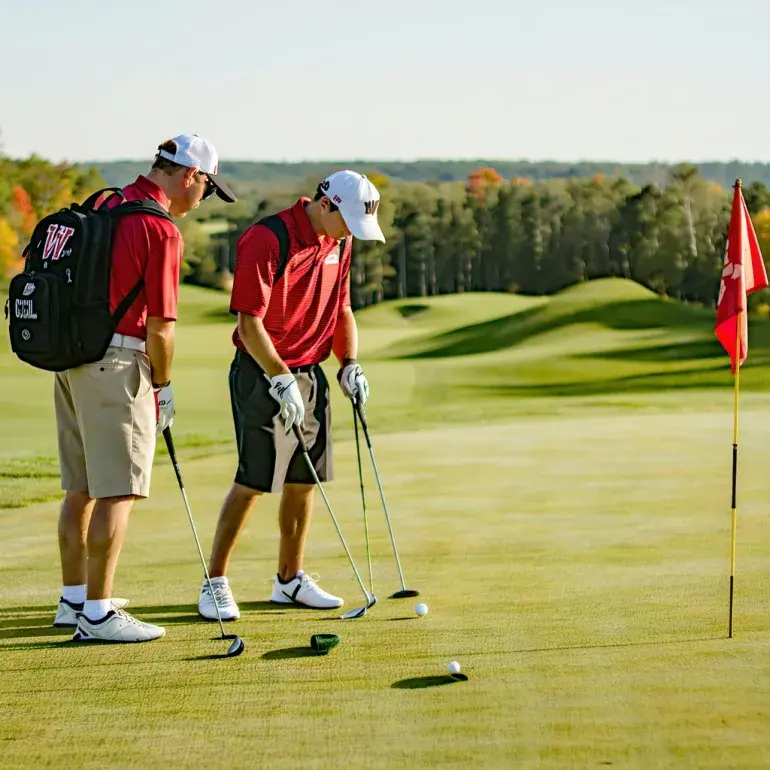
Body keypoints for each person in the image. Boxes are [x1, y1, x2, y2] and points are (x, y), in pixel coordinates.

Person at [53, 134, 237, 643]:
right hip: (118, 362)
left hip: (72, 359)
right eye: (207, 187)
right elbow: (161, 327)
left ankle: (74, 602)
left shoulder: (106, 203)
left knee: (82, 487)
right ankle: (98, 614)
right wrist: (163, 384)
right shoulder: (160, 229)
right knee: (118, 490)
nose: (203, 199)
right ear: (190, 176)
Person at [197, 170, 385, 620]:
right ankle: (215, 582)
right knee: (255, 478)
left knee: (306, 480)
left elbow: (341, 308)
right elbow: (249, 322)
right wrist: (279, 377)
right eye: (348, 223)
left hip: (310, 371)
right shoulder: (267, 238)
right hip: (263, 370)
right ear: (326, 205)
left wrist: (350, 362)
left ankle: (289, 579)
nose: (350, 234)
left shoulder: (341, 240)